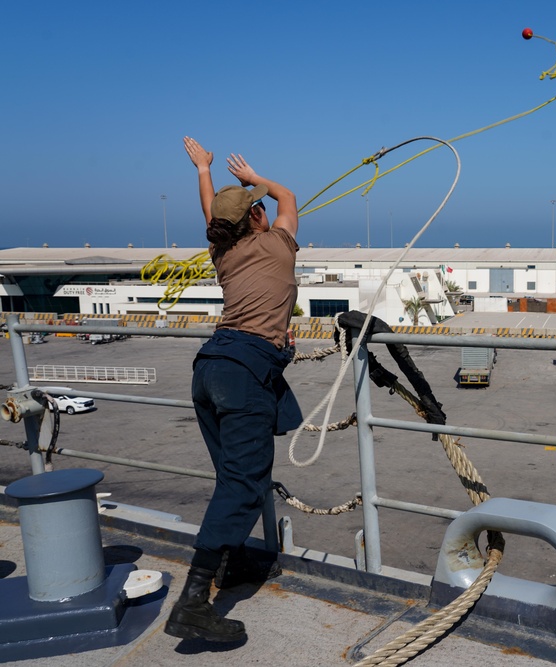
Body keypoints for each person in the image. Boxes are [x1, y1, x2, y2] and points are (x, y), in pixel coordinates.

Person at [165, 137, 303, 643]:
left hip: (212, 367)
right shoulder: (276, 244)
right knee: (244, 483)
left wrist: (205, 171)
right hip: (244, 371)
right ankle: (194, 602)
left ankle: (235, 561)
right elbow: (289, 198)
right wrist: (253, 179)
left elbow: (215, 211)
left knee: (231, 475)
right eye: (260, 209)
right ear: (259, 218)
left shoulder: (222, 248)